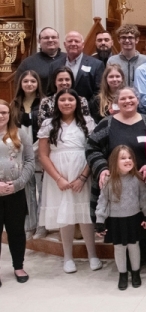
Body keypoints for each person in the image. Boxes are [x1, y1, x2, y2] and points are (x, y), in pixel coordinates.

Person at [85, 87, 146, 267]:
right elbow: (91, 148)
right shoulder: (107, 124)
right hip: (118, 187)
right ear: (116, 102)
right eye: (123, 99)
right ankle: (127, 264)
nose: (128, 101)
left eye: (131, 98)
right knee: (125, 225)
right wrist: (103, 168)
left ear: (138, 100)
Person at [37, 88, 101, 274]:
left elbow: (94, 150)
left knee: (85, 214)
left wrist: (83, 176)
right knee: (65, 215)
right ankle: (68, 257)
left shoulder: (87, 122)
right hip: (59, 175)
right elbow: (43, 155)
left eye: (70, 99)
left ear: (77, 102)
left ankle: (92, 254)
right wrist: (58, 178)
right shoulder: (49, 124)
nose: (66, 103)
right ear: (56, 103)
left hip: (82, 172)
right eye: (62, 99)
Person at [94, 146, 146, 290]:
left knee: (134, 246)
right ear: (114, 161)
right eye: (123, 158)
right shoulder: (108, 180)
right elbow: (103, 201)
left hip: (133, 219)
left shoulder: (137, 178)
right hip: (115, 221)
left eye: (130, 157)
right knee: (119, 248)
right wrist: (100, 221)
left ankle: (136, 273)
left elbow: (144, 198)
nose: (127, 160)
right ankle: (123, 274)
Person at [0, 99, 35, 285]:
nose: (1, 116)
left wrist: (18, 183)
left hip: (15, 191)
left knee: (16, 231)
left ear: (9, 114)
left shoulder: (20, 133)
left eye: (4, 112)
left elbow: (30, 160)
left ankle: (18, 266)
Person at [11, 71, 45, 239]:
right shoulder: (15, 104)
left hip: (40, 152)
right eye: (26, 81)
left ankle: (42, 225)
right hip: (21, 153)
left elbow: (47, 129)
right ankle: (30, 224)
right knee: (27, 189)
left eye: (33, 81)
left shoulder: (44, 103)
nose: (30, 84)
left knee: (42, 189)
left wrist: (35, 149)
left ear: (38, 83)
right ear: (21, 84)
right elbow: (11, 129)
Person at [47, 31, 104, 105]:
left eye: (76, 41)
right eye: (70, 41)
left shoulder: (96, 64)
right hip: (60, 110)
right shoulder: (54, 65)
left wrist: (83, 107)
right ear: (64, 44)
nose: (73, 44)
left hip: (87, 111)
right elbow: (51, 90)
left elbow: (99, 92)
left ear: (83, 45)